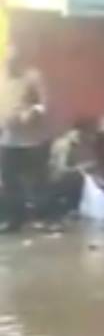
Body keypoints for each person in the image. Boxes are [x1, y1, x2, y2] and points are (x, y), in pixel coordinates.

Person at [0, 50, 49, 232]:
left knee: (36, 180)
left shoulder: (33, 77)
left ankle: (42, 218)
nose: (9, 64)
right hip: (7, 138)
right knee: (9, 180)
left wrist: (32, 112)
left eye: (13, 61)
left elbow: (43, 103)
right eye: (7, 61)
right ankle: (15, 219)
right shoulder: (2, 77)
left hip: (31, 139)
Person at [44, 117, 104, 220]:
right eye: (90, 133)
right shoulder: (64, 145)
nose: (92, 137)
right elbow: (57, 173)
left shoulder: (98, 143)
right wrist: (82, 169)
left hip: (88, 180)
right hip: (66, 183)